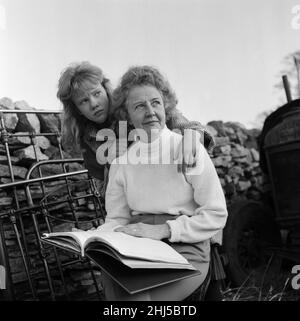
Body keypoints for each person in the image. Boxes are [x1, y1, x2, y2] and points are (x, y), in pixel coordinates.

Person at [99, 65, 228, 301]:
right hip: (138, 248)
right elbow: (117, 219)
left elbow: (216, 214)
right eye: (139, 106)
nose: (150, 112)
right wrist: (92, 238)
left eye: (155, 102)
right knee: (116, 281)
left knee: (140, 297)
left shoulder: (188, 147)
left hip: (186, 248)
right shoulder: (121, 163)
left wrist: (163, 230)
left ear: (165, 105)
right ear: (126, 115)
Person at [56, 62, 215, 199]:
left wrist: (191, 136)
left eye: (97, 93)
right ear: (76, 109)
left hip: (179, 193)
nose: (94, 103)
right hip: (139, 206)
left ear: (106, 89)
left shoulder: (134, 102)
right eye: (84, 101)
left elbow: (188, 126)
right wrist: (111, 164)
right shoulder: (88, 141)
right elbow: (106, 192)